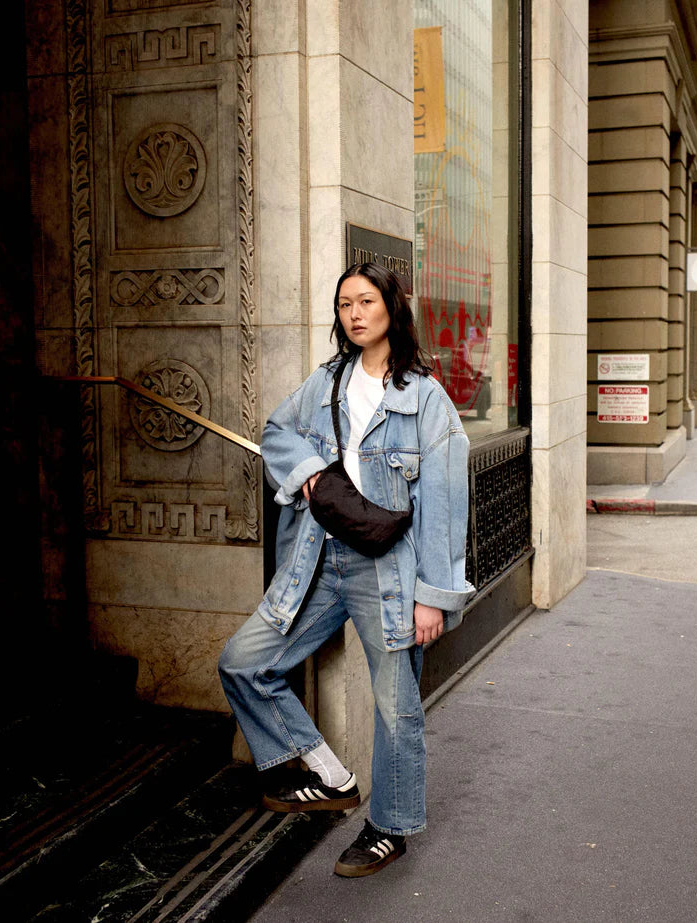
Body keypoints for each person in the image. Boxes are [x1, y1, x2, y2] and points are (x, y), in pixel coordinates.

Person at [218, 262, 474, 877]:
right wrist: (307, 468)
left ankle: (388, 827)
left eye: (365, 301)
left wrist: (432, 597)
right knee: (245, 661)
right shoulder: (327, 382)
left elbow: (442, 504)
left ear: (391, 307)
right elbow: (276, 430)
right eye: (342, 305)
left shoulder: (425, 398)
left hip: (387, 572)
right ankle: (330, 778)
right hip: (318, 558)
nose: (353, 314)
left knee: (395, 706)